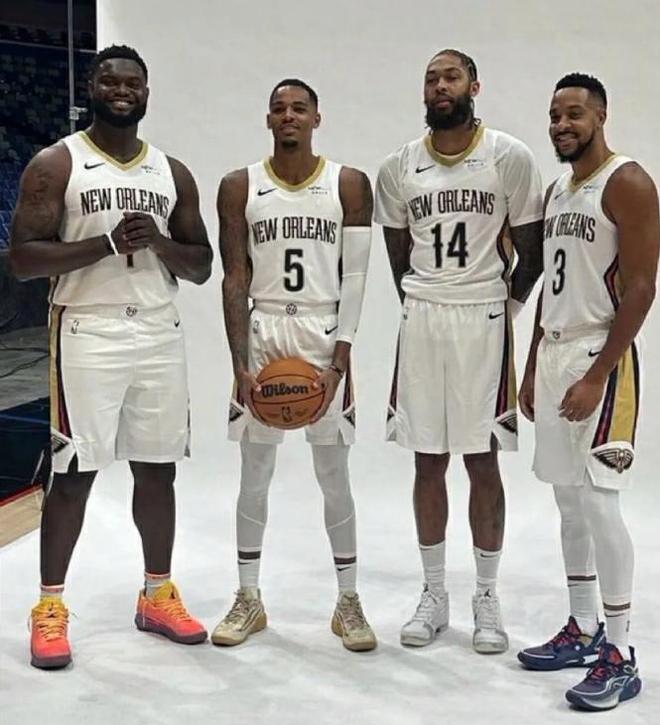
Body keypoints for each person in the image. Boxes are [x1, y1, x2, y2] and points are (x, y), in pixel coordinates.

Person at [10, 45, 213, 669]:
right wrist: (104, 243)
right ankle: (49, 606)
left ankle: (157, 594)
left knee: (158, 470)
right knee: (74, 472)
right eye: (110, 80)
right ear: (91, 88)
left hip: (158, 328)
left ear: (147, 93)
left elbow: (202, 265)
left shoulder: (172, 172)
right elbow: (23, 259)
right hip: (87, 329)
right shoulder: (57, 163)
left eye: (133, 83)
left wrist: (160, 244)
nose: (122, 90)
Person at [374, 49, 543, 652]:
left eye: (451, 76)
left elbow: (531, 256)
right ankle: (435, 592)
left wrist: (501, 316)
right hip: (423, 318)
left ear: (475, 86)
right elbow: (399, 261)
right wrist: (428, 301)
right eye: (431, 78)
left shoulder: (509, 156)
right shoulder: (398, 167)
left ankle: (487, 596)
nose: (440, 86)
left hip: (484, 319)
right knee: (427, 460)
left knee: (482, 460)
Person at [215, 78, 375, 652]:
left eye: (299, 108)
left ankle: (348, 601)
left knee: (335, 476)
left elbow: (356, 276)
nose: (289, 116)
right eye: (279, 108)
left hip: (321, 332)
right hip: (263, 332)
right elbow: (234, 277)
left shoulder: (348, 183)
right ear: (268, 119)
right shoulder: (239, 185)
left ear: (316, 118)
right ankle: (248, 596)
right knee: (253, 475)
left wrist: (340, 361)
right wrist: (239, 362)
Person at [517, 73, 659, 710]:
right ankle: (582, 626)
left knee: (601, 503)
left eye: (574, 114)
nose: (562, 125)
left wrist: (598, 373)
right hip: (553, 352)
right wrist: (530, 365)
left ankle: (622, 653)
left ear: (601, 116)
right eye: (555, 115)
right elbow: (552, 287)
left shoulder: (628, 182)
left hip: (602, 357)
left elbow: (642, 289)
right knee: (568, 501)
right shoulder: (558, 190)